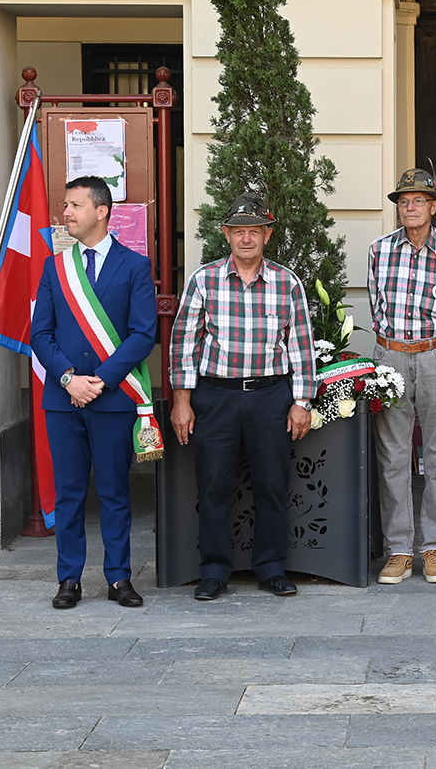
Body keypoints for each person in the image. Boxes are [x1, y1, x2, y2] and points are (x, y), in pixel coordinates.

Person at [169, 191, 316, 601]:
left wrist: (301, 402)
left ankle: (271, 568)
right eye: (239, 231)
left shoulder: (287, 283)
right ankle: (215, 570)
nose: (246, 239)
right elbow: (183, 344)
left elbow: (301, 346)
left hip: (271, 397)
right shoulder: (204, 280)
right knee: (214, 484)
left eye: (255, 231)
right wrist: (182, 401)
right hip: (215, 397)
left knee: (271, 484)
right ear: (226, 235)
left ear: (267, 235)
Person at [32, 175, 157, 609]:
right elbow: (40, 334)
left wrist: (99, 380)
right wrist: (69, 378)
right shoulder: (55, 267)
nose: (65, 213)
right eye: (65, 205)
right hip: (63, 401)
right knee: (69, 493)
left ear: (101, 211)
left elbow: (143, 334)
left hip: (113, 399)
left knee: (113, 492)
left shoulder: (136, 266)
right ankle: (69, 579)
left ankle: (119, 578)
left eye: (74, 205)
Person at [370, 168, 436, 586]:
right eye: (403, 202)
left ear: (433, 206)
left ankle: (434, 548)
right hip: (391, 357)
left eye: (417, 201)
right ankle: (398, 551)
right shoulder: (379, 251)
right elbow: (376, 304)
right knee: (392, 456)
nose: (409, 208)